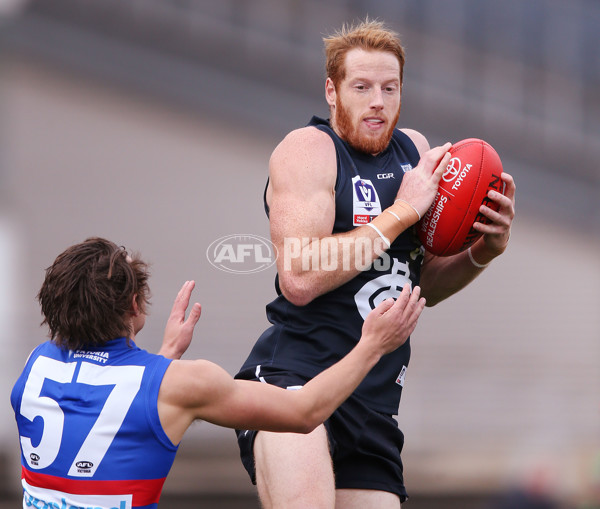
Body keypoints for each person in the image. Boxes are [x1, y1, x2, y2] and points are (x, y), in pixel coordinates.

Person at [234, 18, 516, 509]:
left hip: (373, 401)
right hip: (295, 380)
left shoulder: (417, 154)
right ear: (332, 90)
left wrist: (482, 254)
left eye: (389, 87)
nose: (378, 101)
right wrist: (401, 212)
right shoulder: (310, 150)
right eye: (361, 87)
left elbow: (416, 280)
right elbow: (298, 276)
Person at [10, 237, 425, 509]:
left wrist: (167, 354)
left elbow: (105, 406)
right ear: (134, 305)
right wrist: (373, 346)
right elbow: (303, 412)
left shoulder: (34, 366)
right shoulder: (182, 385)